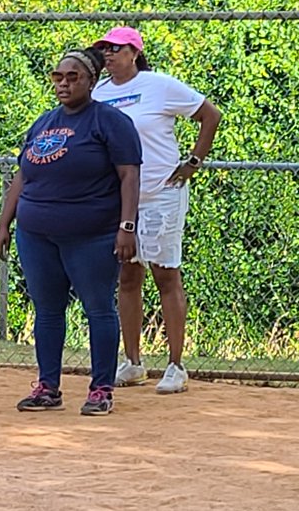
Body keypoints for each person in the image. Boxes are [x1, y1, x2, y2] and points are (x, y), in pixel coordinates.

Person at [0, 48, 142, 416]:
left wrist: (127, 227)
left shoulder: (109, 122)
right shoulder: (44, 122)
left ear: (92, 81)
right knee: (47, 310)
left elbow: (129, 175)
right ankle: (48, 386)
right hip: (36, 233)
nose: (64, 83)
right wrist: (4, 222)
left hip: (91, 233)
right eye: (57, 77)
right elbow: (23, 174)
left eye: (73, 77)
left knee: (98, 308)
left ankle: (101, 388)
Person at [92, 27, 222, 394]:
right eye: (104, 50)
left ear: (134, 53)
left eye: (115, 49)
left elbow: (210, 115)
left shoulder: (159, 85)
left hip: (161, 191)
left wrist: (193, 162)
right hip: (120, 197)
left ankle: (176, 365)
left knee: (166, 274)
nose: (108, 55)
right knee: (128, 276)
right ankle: (133, 362)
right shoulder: (99, 93)